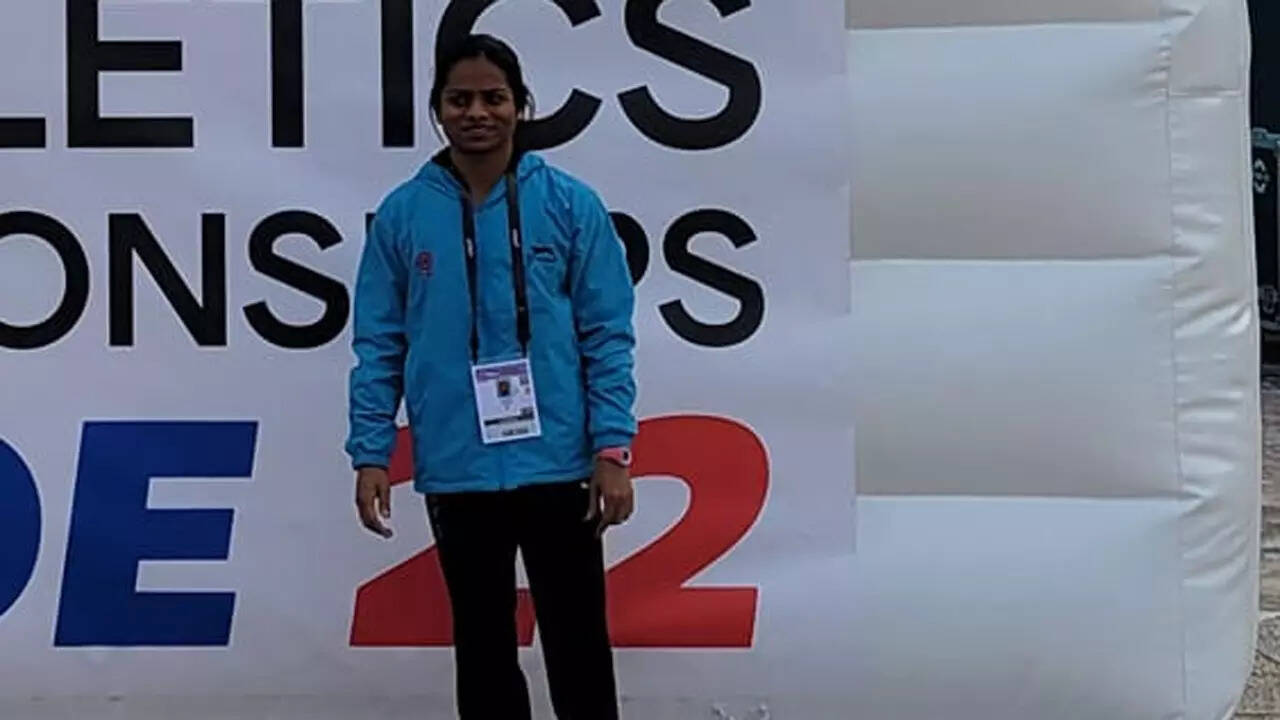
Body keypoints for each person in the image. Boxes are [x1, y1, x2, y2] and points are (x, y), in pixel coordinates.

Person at [344, 33, 637, 720]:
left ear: (520, 105)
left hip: (559, 462)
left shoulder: (569, 204)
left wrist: (613, 449)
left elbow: (608, 334)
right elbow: (378, 345)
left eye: (493, 98)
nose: (477, 112)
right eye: (460, 99)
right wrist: (371, 453)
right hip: (457, 466)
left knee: (577, 640)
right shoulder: (403, 215)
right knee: (482, 646)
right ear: (437, 109)